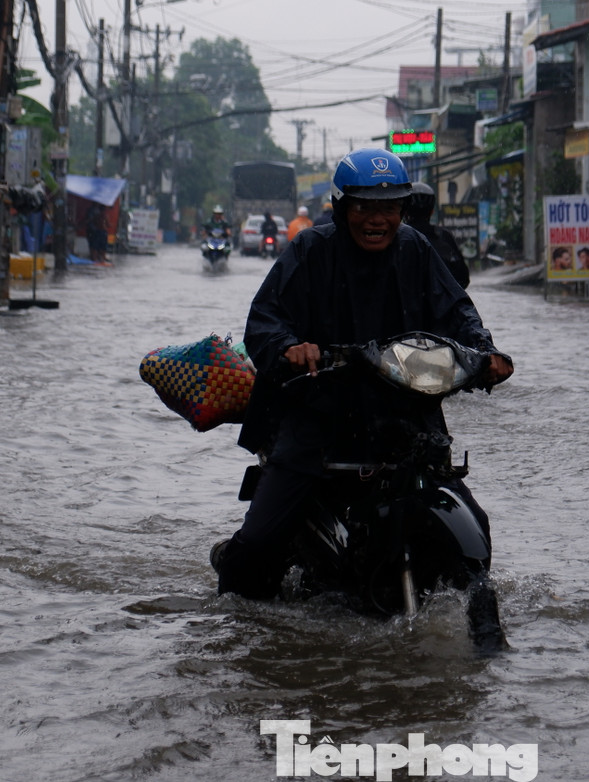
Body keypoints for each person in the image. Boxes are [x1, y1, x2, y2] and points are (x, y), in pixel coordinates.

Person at [210, 147, 515, 600]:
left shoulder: (417, 249)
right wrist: (291, 348)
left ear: (403, 210)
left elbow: (457, 313)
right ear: (342, 208)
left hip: (405, 418)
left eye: (389, 207)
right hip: (318, 417)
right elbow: (265, 321)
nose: (377, 219)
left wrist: (486, 354)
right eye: (364, 207)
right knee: (256, 547)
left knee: (476, 531)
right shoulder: (310, 249)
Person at [406, 182, 469, 288]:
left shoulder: (397, 237)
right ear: (432, 212)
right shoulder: (444, 237)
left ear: (405, 211)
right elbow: (463, 279)